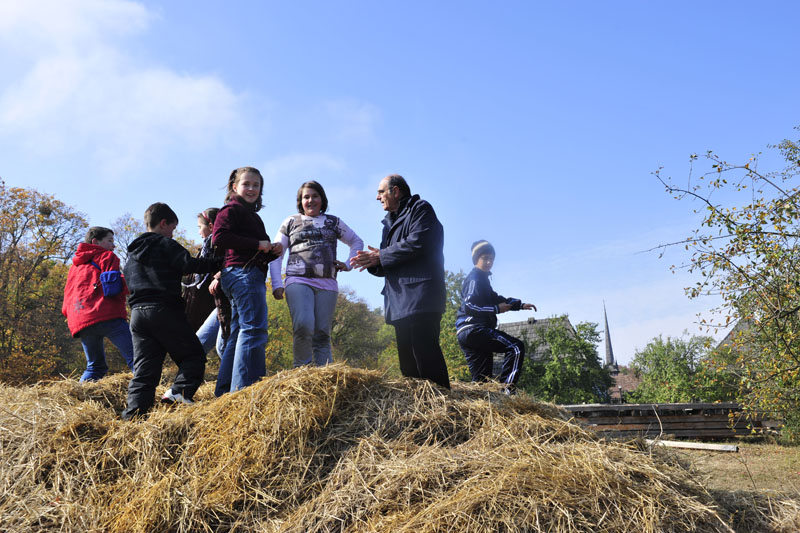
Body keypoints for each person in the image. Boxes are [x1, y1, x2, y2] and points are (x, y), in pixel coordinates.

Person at [121, 203, 221, 420]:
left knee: (145, 370)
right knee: (193, 355)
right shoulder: (165, 244)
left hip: (137, 314)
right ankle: (179, 392)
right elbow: (188, 265)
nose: (172, 234)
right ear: (163, 223)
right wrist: (221, 263)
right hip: (163, 309)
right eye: (172, 229)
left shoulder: (131, 255)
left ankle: (133, 417)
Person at [350, 174, 450, 389]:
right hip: (398, 303)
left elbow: (418, 243)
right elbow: (389, 260)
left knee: (426, 356)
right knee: (408, 366)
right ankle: (419, 410)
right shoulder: (388, 224)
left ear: (395, 191)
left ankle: (443, 407)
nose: (377, 197)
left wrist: (381, 256)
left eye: (380, 192)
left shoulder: (421, 209)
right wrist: (371, 263)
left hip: (421, 297)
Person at [269, 181, 364, 367]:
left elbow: (356, 242)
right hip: (298, 280)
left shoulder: (333, 222)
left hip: (327, 283)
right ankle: (301, 372)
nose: (310, 200)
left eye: (315, 196)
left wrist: (348, 264)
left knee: (322, 332)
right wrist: (277, 284)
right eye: (306, 197)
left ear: (322, 199)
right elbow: (276, 254)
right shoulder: (290, 222)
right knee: (304, 325)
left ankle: (324, 376)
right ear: (300, 201)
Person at [212, 166, 282, 396]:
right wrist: (256, 244)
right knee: (254, 330)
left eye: (256, 185)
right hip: (242, 274)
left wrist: (272, 251)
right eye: (246, 184)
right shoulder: (231, 209)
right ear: (234, 187)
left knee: (240, 330)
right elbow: (219, 238)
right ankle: (244, 392)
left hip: (244, 272)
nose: (251, 188)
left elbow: (256, 247)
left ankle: (225, 392)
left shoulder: (252, 216)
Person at [455, 240, 536, 393]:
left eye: (491, 259)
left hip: (467, 333)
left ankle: (482, 405)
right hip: (473, 328)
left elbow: (496, 298)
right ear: (476, 259)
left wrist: (519, 305)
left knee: (482, 383)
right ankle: (506, 393)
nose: (489, 262)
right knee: (516, 347)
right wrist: (495, 309)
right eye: (485, 258)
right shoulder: (475, 279)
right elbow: (469, 305)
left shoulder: (483, 280)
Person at [62, 226, 134, 381]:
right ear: (95, 242)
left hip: (80, 320)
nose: (113, 246)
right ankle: (149, 392)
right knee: (137, 358)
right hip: (107, 316)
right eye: (110, 241)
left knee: (95, 366)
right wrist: (135, 283)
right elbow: (113, 288)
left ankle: (80, 397)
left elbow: (68, 295)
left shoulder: (74, 266)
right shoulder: (107, 256)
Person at [183, 207, 226, 356]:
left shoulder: (222, 246)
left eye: (200, 227)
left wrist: (220, 276)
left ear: (211, 226)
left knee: (223, 347)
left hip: (222, 304)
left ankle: (236, 378)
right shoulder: (204, 250)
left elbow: (232, 264)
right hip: (207, 308)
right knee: (197, 348)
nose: (198, 232)